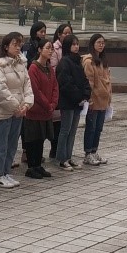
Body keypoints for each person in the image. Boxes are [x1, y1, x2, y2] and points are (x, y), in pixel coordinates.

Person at [0, 31, 33, 188]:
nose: (18, 47)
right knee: (1, 144)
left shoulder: (21, 64)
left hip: (18, 111)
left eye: (20, 44)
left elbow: (27, 85)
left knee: (12, 144)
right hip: (3, 111)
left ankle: (6, 172)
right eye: (15, 44)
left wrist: (26, 104)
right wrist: (16, 106)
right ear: (6, 46)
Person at [23, 36, 58, 180]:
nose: (50, 51)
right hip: (35, 110)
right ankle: (31, 167)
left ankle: (38, 165)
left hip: (46, 111)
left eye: (52, 48)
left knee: (41, 139)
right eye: (47, 48)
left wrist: (53, 103)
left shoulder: (49, 68)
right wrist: (47, 104)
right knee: (33, 139)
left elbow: (55, 86)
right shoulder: (33, 68)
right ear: (39, 50)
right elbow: (35, 90)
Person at [54, 34, 90, 170]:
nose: (76, 47)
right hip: (68, 102)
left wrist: (85, 95)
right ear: (68, 46)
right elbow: (65, 83)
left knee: (73, 131)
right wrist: (78, 96)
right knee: (65, 130)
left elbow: (84, 80)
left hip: (77, 103)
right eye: (73, 44)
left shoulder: (77, 61)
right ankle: (61, 158)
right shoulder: (64, 62)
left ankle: (68, 156)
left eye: (77, 44)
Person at [81, 33, 112, 166]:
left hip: (104, 100)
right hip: (94, 100)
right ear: (92, 44)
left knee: (98, 128)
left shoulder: (103, 62)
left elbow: (108, 81)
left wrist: (109, 98)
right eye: (98, 42)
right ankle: (88, 153)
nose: (101, 45)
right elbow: (89, 82)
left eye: (103, 43)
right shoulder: (89, 61)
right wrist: (89, 99)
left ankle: (94, 151)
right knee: (91, 128)